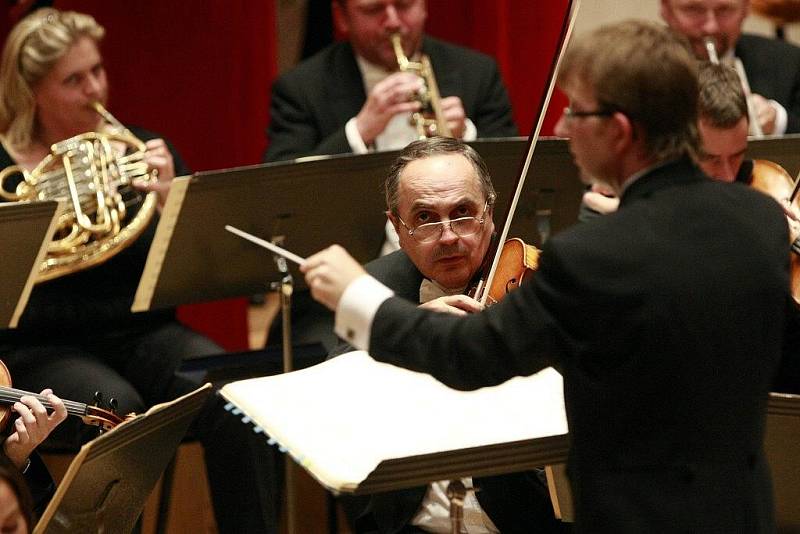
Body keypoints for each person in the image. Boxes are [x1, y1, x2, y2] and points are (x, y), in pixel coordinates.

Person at [300, 20, 791, 532]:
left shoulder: (593, 256)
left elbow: (471, 355)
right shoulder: (758, 221)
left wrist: (357, 296)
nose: (561, 125)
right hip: (742, 512)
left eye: (577, 111)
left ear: (619, 131)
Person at [0, 9, 279, 533]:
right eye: (74, 79)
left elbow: (206, 256)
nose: (95, 89)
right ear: (32, 90)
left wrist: (176, 199)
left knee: (235, 391)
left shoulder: (141, 153)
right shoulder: (4, 172)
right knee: (115, 412)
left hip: (144, 331)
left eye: (97, 71)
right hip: (42, 344)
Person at [329, 137, 567, 534]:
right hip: (409, 523)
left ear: (490, 214)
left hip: (519, 518)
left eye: (463, 213)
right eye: (425, 218)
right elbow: (337, 398)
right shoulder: (374, 287)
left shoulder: (537, 286)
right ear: (397, 227)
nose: (449, 237)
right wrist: (410, 332)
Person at [263, 0, 518, 164]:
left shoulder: (477, 72)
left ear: (425, 6)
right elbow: (279, 184)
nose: (393, 22)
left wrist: (466, 135)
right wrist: (358, 132)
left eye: (405, 5)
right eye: (373, 9)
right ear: (342, 17)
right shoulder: (300, 87)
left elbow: (518, 171)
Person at [661, 0, 800, 134]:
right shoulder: (642, 67)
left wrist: (778, 121)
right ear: (665, 8)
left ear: (746, 8)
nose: (711, 27)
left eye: (725, 10)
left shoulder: (791, 62)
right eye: (693, 9)